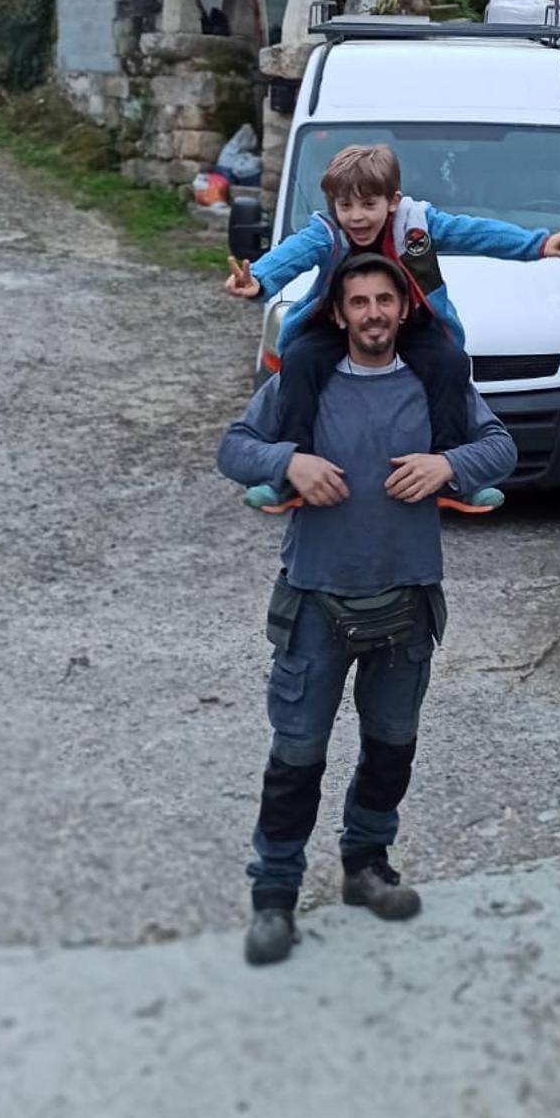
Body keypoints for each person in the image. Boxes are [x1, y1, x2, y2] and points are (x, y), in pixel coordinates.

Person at [218, 251, 517, 965]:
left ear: (405, 307)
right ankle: (274, 899)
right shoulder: (307, 380)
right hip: (316, 596)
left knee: (390, 747)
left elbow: (499, 445)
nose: (374, 314)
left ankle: (366, 866)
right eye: (360, 303)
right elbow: (235, 448)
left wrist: (450, 466)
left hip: (406, 597)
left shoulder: (434, 378)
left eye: (386, 300)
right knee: (296, 756)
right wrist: (288, 463)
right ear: (340, 312)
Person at [224, 141, 560, 515]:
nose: (356, 217)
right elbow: (292, 255)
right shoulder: (326, 232)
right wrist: (257, 279)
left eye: (367, 204)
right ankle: (288, 474)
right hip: (339, 322)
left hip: (409, 320)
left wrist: (536, 244)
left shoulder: (416, 226)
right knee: (299, 358)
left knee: (451, 361)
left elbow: (475, 233)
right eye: (345, 205)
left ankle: (453, 476)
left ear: (392, 201)